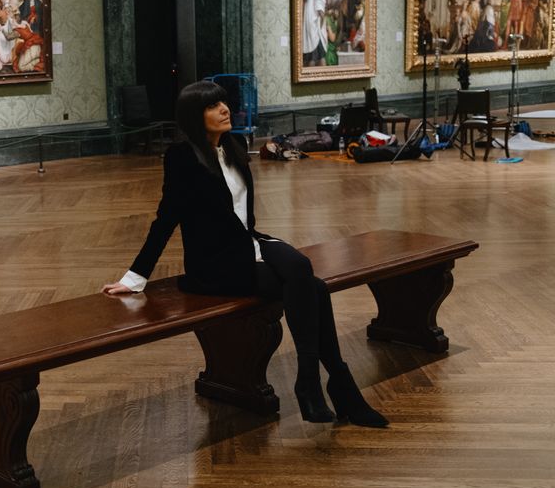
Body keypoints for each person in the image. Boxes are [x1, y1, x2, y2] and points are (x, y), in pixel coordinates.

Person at [102, 81, 389, 428]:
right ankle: (334, 389)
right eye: (213, 105)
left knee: (305, 274)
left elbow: (242, 215)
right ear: (195, 116)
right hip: (213, 266)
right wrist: (134, 278)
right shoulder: (181, 158)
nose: (225, 108)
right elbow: (165, 220)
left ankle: (316, 382)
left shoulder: (234, 147)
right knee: (311, 285)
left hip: (247, 245)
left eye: (224, 102)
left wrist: (257, 246)